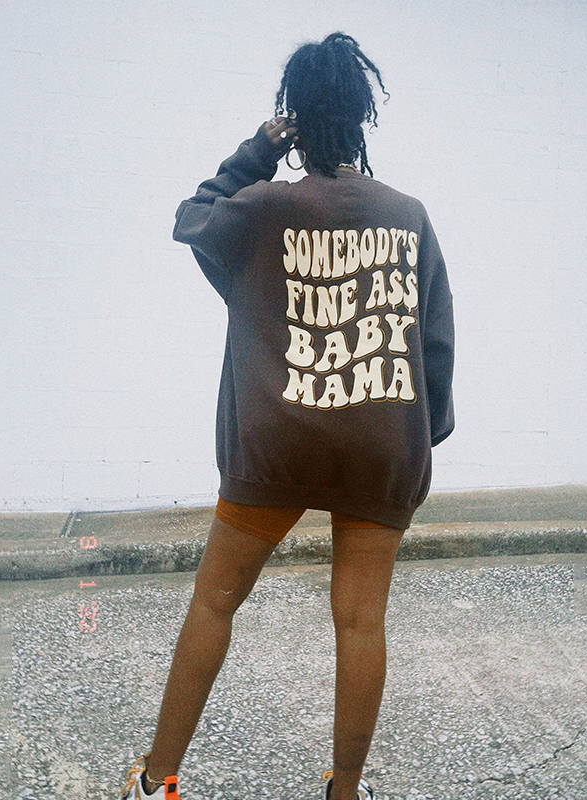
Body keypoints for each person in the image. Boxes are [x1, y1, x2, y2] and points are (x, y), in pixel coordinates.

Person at [120, 32, 454, 800]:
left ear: (296, 116)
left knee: (215, 601)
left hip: (276, 440)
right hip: (380, 441)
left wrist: (259, 149)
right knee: (360, 622)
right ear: (363, 116)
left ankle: (156, 782)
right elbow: (434, 339)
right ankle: (345, 792)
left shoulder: (262, 209)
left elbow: (192, 216)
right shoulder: (409, 217)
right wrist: (417, 438)